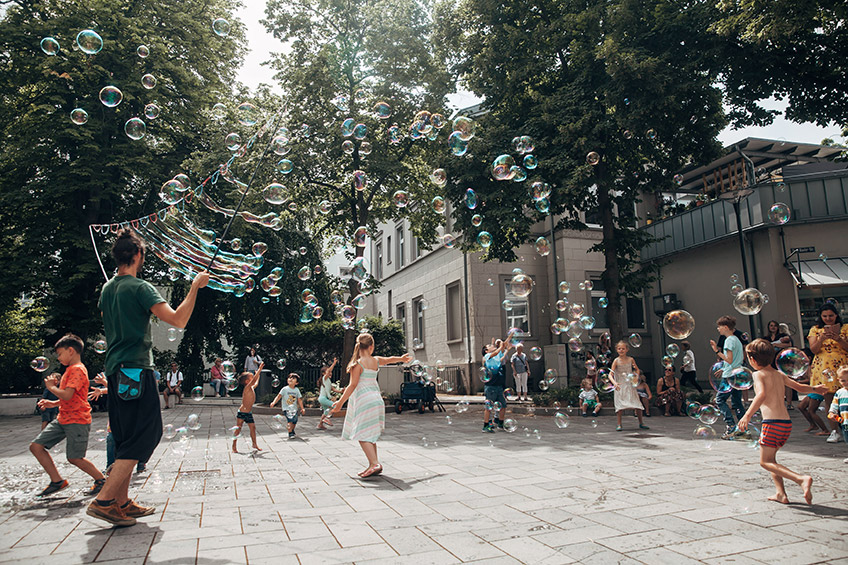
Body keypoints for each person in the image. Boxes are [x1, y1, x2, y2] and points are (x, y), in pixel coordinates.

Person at [88, 228, 208, 527]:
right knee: (147, 433)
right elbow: (178, 319)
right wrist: (195, 287)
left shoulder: (107, 289)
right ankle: (104, 500)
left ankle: (121, 502)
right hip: (135, 369)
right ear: (138, 254)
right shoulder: (140, 287)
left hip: (115, 370)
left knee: (126, 437)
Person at [738, 339, 829, 504]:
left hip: (772, 423)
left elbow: (761, 395)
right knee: (771, 459)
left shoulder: (758, 374)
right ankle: (781, 494)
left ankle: (801, 479)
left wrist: (747, 415)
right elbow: (799, 387)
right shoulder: (779, 374)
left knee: (765, 462)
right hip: (785, 424)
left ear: (752, 360)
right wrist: (816, 389)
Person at [30, 334, 106, 498]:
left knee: (75, 458)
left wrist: (51, 387)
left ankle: (101, 480)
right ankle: (57, 481)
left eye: (60, 353)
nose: (58, 357)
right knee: (36, 446)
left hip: (77, 420)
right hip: (63, 418)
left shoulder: (77, 369)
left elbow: (67, 395)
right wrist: (53, 403)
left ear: (70, 351)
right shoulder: (70, 370)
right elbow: (71, 397)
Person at [331, 333, 411, 477]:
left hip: (364, 401)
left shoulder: (357, 364)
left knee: (362, 434)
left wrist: (339, 403)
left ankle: (374, 464)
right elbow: (389, 359)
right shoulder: (375, 360)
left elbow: (352, 385)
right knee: (369, 434)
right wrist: (402, 358)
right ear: (371, 347)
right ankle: (373, 464)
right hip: (376, 400)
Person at [89, 374, 147, 475]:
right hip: (118, 414)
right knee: (111, 438)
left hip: (132, 414)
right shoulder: (117, 375)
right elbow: (114, 390)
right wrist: (102, 390)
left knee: (136, 439)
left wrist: (104, 383)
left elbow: (122, 390)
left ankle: (141, 463)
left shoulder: (133, 374)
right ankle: (110, 466)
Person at [807, 303, 848, 444]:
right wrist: (821, 338)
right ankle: (834, 431)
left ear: (836, 315)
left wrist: (839, 339)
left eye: (831, 315)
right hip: (824, 368)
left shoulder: (845, 328)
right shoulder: (815, 330)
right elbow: (813, 350)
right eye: (825, 316)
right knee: (829, 400)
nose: (828, 319)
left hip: (843, 366)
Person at [710, 315, 745, 440]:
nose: (718, 329)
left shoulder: (729, 340)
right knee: (737, 402)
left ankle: (731, 426)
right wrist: (723, 368)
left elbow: (729, 359)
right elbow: (734, 360)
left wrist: (716, 351)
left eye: (719, 327)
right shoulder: (736, 340)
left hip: (730, 376)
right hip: (737, 373)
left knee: (720, 400)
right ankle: (743, 429)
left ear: (725, 327)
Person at [609, 341, 648, 431]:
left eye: (623, 348)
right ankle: (619, 424)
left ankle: (641, 422)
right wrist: (614, 383)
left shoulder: (631, 359)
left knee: (637, 403)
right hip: (620, 385)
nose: (621, 350)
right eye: (619, 349)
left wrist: (636, 377)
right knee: (619, 405)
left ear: (627, 349)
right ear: (616, 350)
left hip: (630, 384)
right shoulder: (616, 361)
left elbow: (637, 370)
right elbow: (610, 374)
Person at [481, 333, 514, 432]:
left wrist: (509, 337)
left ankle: (500, 423)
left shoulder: (497, 356)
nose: (492, 346)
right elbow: (497, 351)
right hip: (490, 386)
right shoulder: (487, 356)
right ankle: (485, 426)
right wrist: (500, 346)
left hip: (499, 386)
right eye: (489, 346)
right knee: (489, 407)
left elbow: (502, 348)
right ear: (486, 350)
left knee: (503, 405)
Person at [232, 362, 265, 452]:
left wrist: (258, 375)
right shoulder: (247, 388)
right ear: (247, 381)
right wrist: (259, 370)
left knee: (252, 428)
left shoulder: (251, 388)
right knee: (238, 429)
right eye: (251, 377)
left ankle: (254, 444)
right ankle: (234, 445)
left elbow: (256, 383)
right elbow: (254, 381)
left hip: (248, 413)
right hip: (242, 412)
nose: (253, 377)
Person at [764, 320, 794, 409]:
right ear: (768, 327)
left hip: (783, 361)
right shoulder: (766, 338)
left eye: (775, 326)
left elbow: (789, 345)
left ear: (778, 327)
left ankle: (789, 403)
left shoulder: (783, 336)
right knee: (773, 383)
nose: (773, 327)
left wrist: (776, 345)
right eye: (771, 326)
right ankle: (777, 402)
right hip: (771, 361)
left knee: (786, 382)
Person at [271, 373, 304, 439]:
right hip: (286, 408)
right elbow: (278, 396)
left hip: (294, 408)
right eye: (289, 378)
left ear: (296, 383)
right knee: (290, 420)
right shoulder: (284, 389)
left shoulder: (296, 390)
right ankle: (290, 433)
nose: (291, 379)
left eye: (293, 378)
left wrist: (302, 408)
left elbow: (299, 399)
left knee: (295, 421)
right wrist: (274, 402)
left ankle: (292, 430)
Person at [827, 366, 848, 463]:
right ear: (839, 380)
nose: (846, 383)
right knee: (847, 439)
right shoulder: (839, 393)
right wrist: (832, 413)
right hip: (845, 421)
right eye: (843, 381)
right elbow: (834, 405)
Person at [317, 358, 339, 430]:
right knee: (335, 406)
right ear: (324, 373)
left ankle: (320, 425)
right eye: (328, 371)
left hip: (322, 398)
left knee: (326, 411)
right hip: (323, 398)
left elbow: (334, 389)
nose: (330, 372)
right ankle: (327, 418)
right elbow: (329, 370)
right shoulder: (324, 378)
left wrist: (343, 391)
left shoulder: (328, 381)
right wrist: (334, 363)